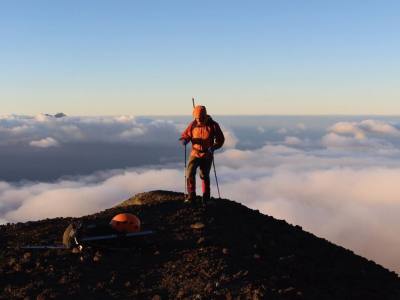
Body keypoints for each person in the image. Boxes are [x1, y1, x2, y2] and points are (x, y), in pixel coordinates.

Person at [180, 105, 225, 203]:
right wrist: (185, 139)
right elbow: (186, 135)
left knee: (204, 175)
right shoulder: (193, 124)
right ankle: (191, 196)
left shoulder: (213, 125)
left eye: (200, 118)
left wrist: (213, 147)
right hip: (195, 153)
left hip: (207, 154)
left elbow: (220, 140)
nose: (198, 120)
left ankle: (206, 198)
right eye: (196, 118)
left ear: (205, 116)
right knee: (190, 173)